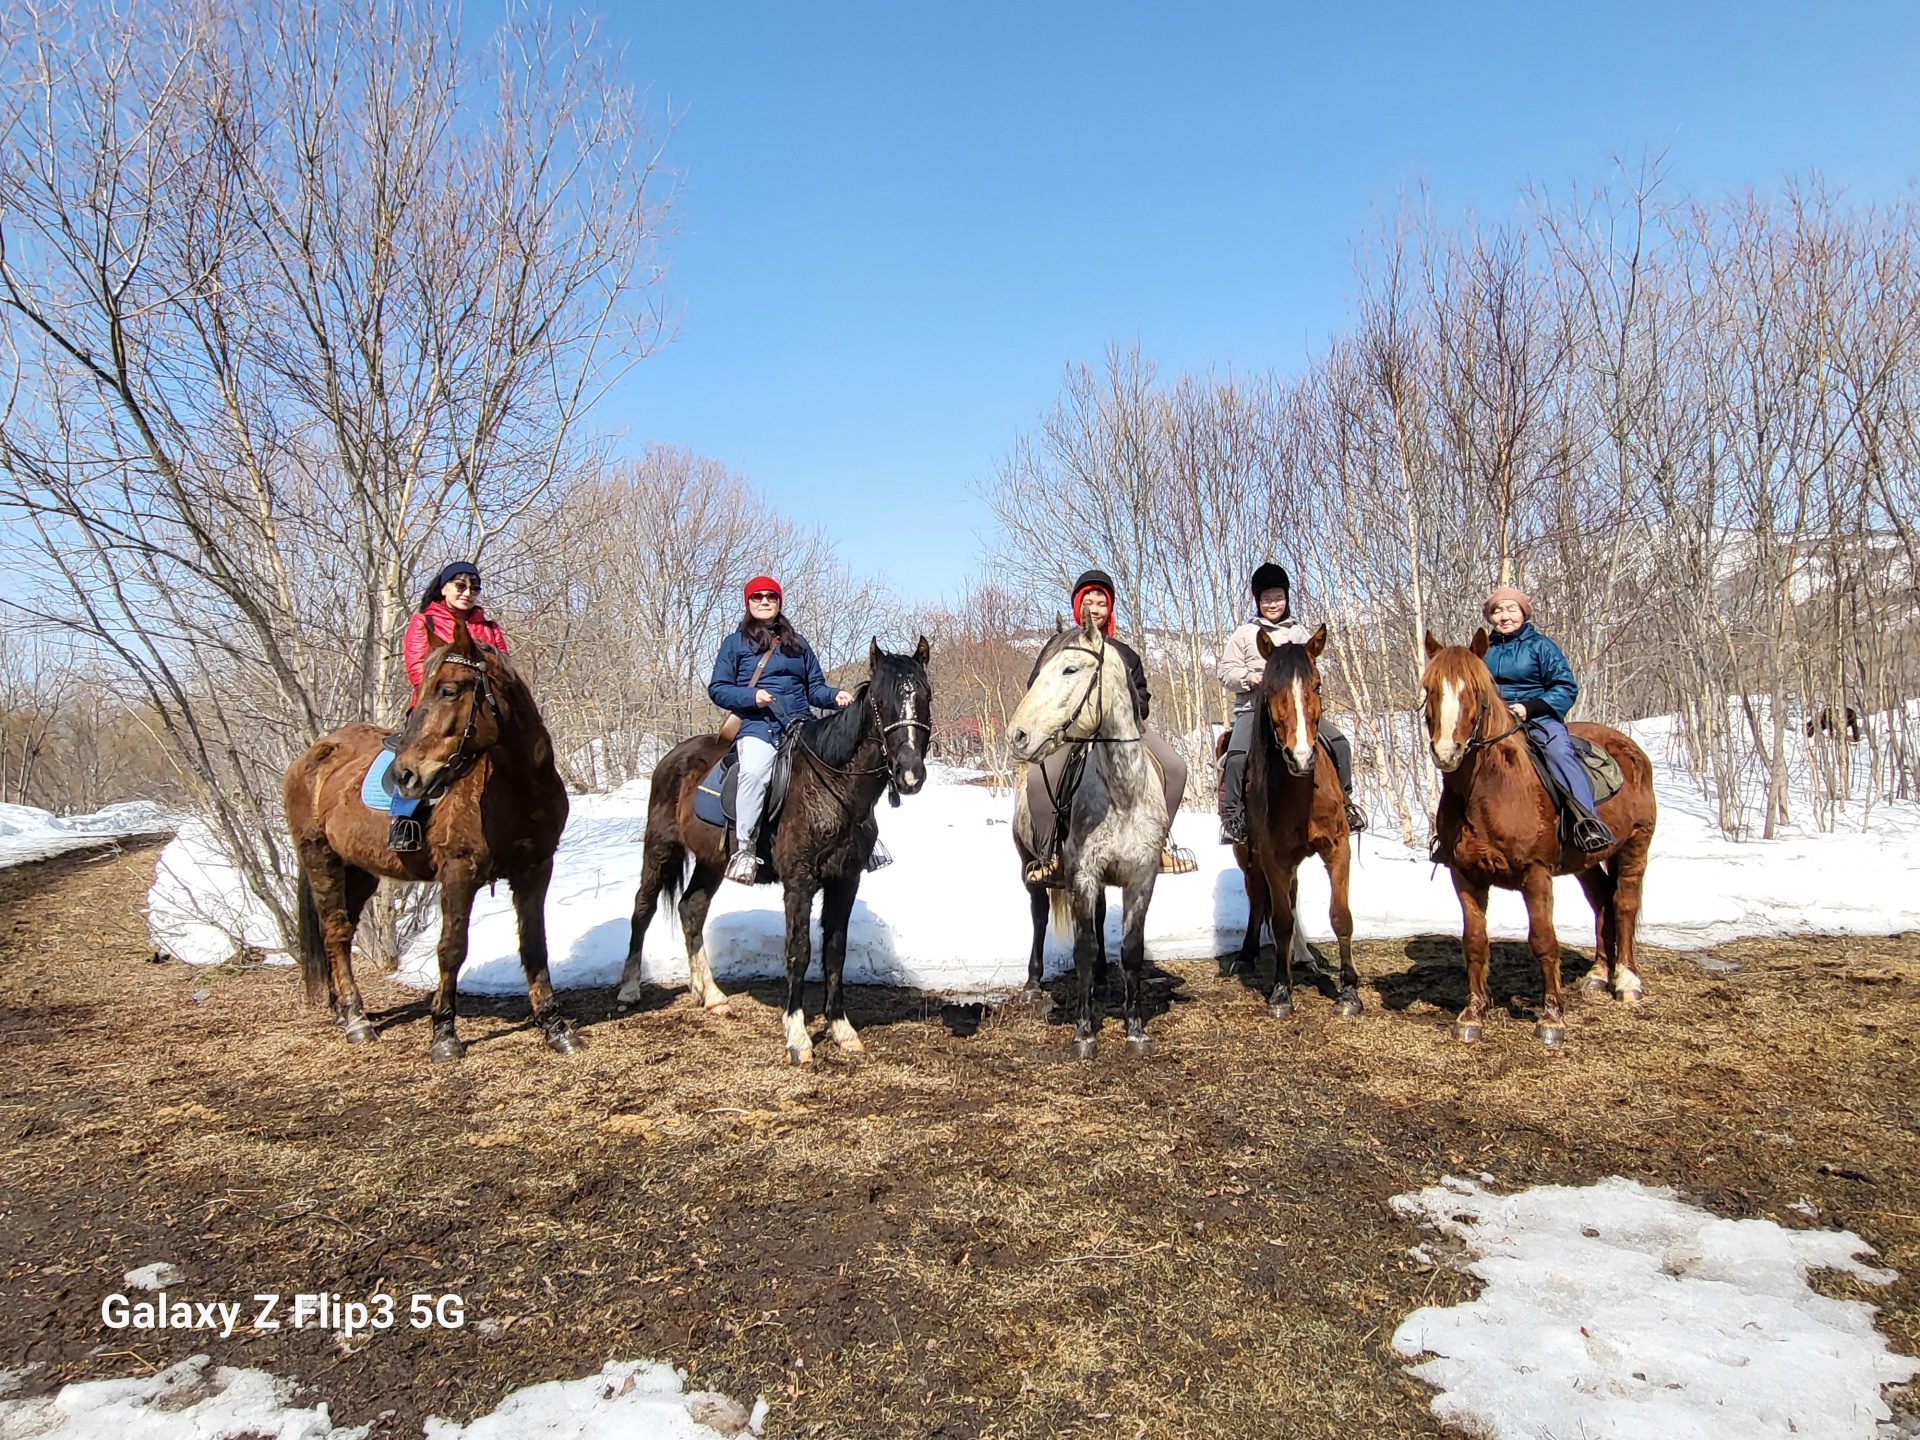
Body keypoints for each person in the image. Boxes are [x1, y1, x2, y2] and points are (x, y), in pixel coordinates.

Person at [1022, 569, 1194, 885]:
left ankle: (1159, 845)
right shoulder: (1060, 648)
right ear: (1078, 607)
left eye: (1102, 602)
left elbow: (1143, 698)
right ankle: (1051, 854)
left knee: (1176, 767)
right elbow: (1038, 687)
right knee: (1037, 778)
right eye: (1089, 601)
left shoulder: (1125, 653)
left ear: (1110, 608)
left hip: (1124, 734)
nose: (1096, 609)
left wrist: (1127, 706)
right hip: (1073, 733)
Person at [709, 575, 852, 884]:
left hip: (801, 725)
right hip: (758, 726)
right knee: (753, 774)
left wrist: (834, 695)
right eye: (757, 597)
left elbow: (814, 688)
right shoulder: (734, 644)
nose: (764, 601)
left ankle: (860, 844)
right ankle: (745, 851)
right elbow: (718, 688)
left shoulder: (798, 644)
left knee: (841, 770)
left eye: (770, 597)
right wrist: (752, 696)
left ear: (779, 602)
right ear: (748, 603)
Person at [1216, 563, 1364, 844]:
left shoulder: (1298, 633)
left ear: (1286, 598)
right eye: (1267, 598)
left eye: (1278, 597)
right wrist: (1249, 677)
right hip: (1254, 710)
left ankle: (1346, 803)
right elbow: (1225, 672)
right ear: (1257, 600)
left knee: (1341, 744)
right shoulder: (1245, 634)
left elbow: (1312, 668)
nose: (1273, 604)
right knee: (1236, 758)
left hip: (1297, 711)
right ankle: (1233, 818)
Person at [387, 560, 510, 852]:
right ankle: (405, 820)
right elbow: (418, 670)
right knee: (416, 753)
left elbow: (505, 669)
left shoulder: (489, 628)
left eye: (474, 588)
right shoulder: (424, 622)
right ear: (444, 588)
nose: (468, 592)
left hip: (482, 710)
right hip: (438, 706)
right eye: (461, 585)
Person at [1481, 584, 1614, 852]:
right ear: (1490, 617)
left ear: (1523, 613)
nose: (1504, 616)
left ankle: (1586, 821)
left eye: (1511, 609)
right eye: (1497, 611)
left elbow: (1565, 687)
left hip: (1537, 719)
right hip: (1494, 725)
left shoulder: (1541, 646)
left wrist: (1528, 708)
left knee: (1559, 751)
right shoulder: (1482, 650)